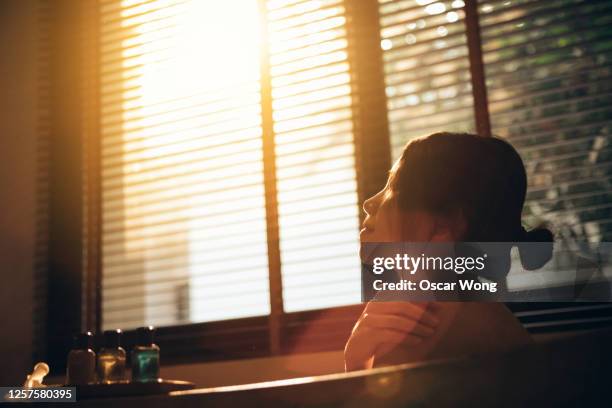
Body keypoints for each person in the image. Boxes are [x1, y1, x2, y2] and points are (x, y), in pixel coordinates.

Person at [344, 132, 554, 371]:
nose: (369, 203)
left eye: (392, 186)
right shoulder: (470, 305)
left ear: (443, 226)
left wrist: (355, 361)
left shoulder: (419, 317)